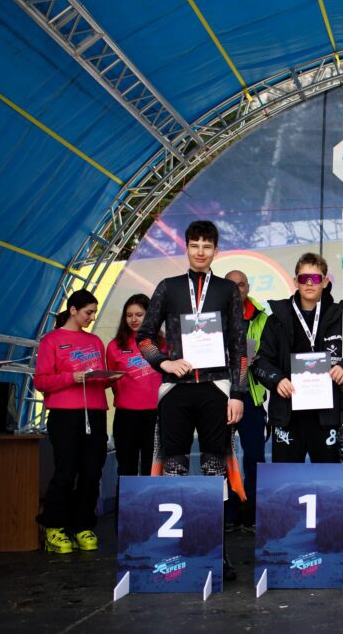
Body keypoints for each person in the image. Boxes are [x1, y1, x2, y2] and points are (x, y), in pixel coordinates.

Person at [137, 220, 247, 579]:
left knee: (215, 470)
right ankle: (173, 549)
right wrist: (164, 362)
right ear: (185, 247)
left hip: (216, 389)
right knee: (175, 469)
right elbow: (144, 337)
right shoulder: (168, 287)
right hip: (176, 389)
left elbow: (239, 346)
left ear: (215, 250)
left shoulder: (227, 290)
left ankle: (217, 551)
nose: (200, 252)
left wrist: (237, 393)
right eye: (194, 245)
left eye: (207, 246)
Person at [253, 253, 343, 463]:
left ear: (325, 282)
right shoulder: (277, 320)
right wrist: (277, 380)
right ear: (295, 282)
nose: (309, 283)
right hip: (288, 416)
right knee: (286, 479)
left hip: (328, 417)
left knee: (330, 479)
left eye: (316, 278)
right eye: (304, 278)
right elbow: (260, 361)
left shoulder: (342, 317)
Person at [34, 289, 112, 554]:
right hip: (64, 414)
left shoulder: (95, 341)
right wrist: (71, 377)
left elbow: (97, 378)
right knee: (66, 471)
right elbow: (41, 381)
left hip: (95, 412)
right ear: (73, 310)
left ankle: (83, 525)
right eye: (88, 312)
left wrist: (108, 378)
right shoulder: (51, 340)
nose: (92, 317)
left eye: (94, 313)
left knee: (92, 472)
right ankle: (54, 527)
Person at [224, 269, 268, 529]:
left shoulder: (262, 317)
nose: (236, 289)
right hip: (220, 395)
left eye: (241, 284)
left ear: (248, 287)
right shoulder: (211, 316)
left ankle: (251, 515)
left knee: (254, 457)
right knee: (222, 458)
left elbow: (271, 351)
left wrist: (257, 359)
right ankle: (228, 515)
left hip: (251, 395)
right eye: (231, 285)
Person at [106, 294, 162, 477]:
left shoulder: (163, 344)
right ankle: (124, 498)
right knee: (126, 468)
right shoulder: (115, 346)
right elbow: (110, 379)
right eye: (129, 315)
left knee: (151, 468)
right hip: (126, 416)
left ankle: (151, 497)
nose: (133, 319)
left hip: (156, 415)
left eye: (139, 314)